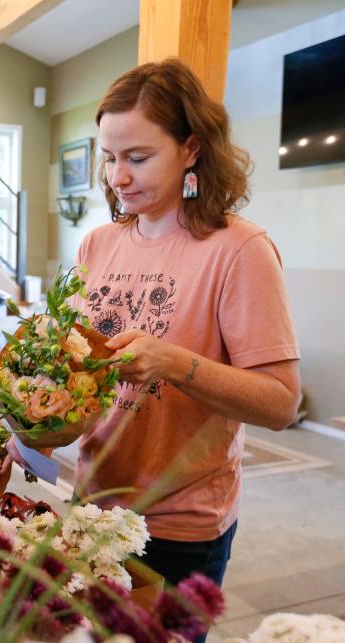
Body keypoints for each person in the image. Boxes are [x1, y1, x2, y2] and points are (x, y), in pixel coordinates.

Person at [72, 59, 301, 598]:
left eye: (138, 158)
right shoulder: (97, 244)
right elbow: (78, 367)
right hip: (90, 503)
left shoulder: (239, 250)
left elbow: (281, 403)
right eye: (109, 159)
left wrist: (174, 362)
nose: (119, 177)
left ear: (192, 149)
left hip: (177, 526)